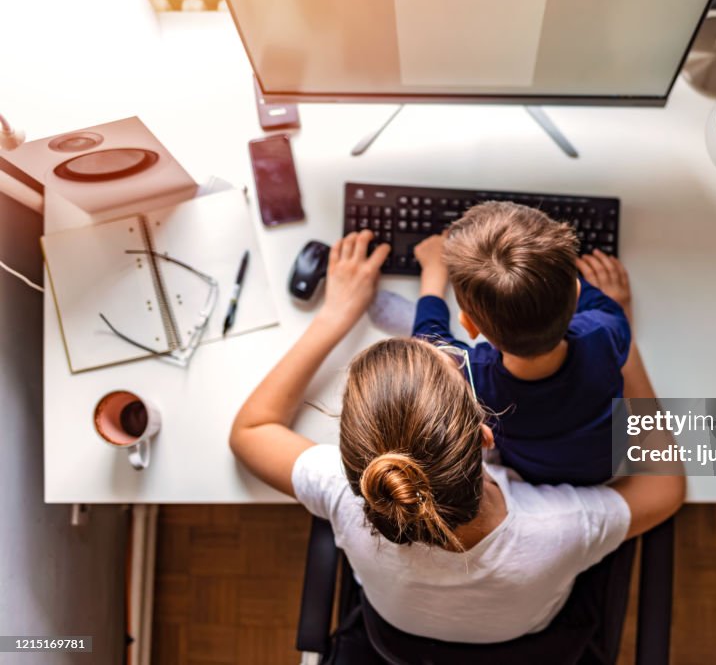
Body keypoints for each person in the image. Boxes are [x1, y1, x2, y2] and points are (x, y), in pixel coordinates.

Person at [230, 230, 685, 645]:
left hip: (397, 638)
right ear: (487, 435)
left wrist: (336, 314)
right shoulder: (557, 527)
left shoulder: (350, 495)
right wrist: (625, 355)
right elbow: (666, 488)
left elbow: (249, 431)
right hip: (529, 638)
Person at [412, 202, 631, 485]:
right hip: (605, 464)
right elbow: (596, 304)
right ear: (577, 295)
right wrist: (609, 299)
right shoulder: (605, 329)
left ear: (469, 326)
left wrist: (432, 275)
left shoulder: (473, 378)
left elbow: (428, 346)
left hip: (532, 474)